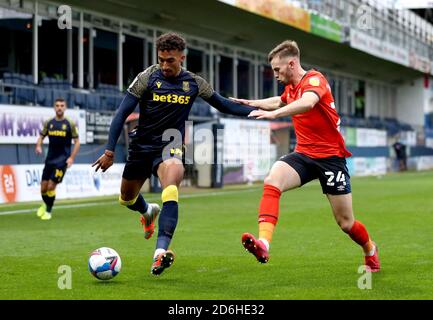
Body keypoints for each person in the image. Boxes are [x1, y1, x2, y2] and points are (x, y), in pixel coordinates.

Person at [92, 32, 256, 276]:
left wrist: (260, 111)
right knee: (126, 198)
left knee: (173, 178)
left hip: (171, 144)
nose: (165, 65)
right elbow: (121, 114)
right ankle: (147, 211)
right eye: (161, 60)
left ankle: (159, 253)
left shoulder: (195, 83)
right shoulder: (146, 78)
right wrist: (109, 150)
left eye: (170, 60)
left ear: (182, 57)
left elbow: (225, 105)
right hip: (141, 145)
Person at [232, 40, 380, 272]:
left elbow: (308, 103)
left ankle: (370, 249)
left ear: (292, 64)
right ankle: (263, 243)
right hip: (304, 155)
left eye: (277, 70)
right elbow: (279, 100)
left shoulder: (314, 80)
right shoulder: (291, 88)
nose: (275, 75)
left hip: (331, 159)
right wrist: (251, 103)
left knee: (346, 223)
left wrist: (276, 115)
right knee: (272, 180)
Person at [35, 98, 80, 220]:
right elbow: (41, 136)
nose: (59, 107)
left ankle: (48, 211)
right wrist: (38, 146)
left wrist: (71, 158)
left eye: (62, 105)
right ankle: (45, 204)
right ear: (54, 108)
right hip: (49, 159)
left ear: (65, 108)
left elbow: (77, 142)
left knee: (51, 186)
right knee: (43, 188)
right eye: (57, 105)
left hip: (62, 160)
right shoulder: (49, 122)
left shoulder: (69, 123)